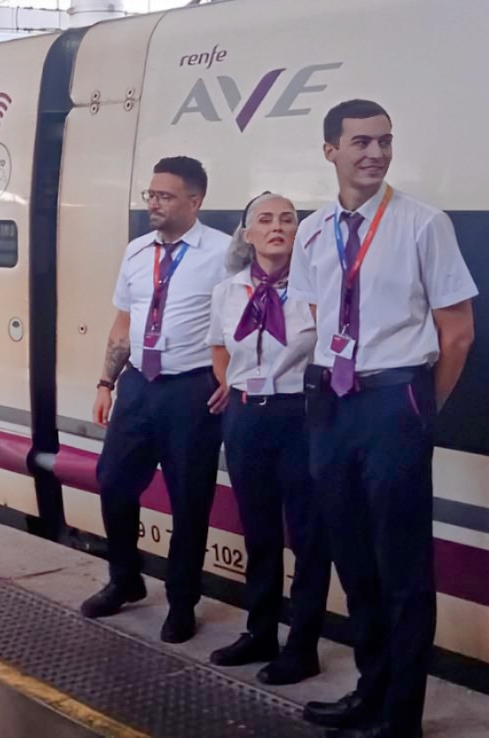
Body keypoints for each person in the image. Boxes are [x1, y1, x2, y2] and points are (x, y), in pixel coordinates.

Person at [289, 100, 477, 738]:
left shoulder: (424, 224)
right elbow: (315, 317)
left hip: (395, 399)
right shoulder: (313, 231)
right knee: (353, 558)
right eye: (361, 142)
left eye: (385, 141)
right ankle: (370, 692)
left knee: (402, 568)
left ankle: (401, 718)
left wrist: (421, 412)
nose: (376, 153)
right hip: (329, 402)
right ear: (330, 151)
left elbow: (457, 334)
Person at [82, 156, 231, 644]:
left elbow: (243, 319)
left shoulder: (223, 253)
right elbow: (123, 322)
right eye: (151, 195)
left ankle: (182, 602)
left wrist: (232, 376)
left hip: (191, 390)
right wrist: (106, 382)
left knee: (189, 500)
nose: (154, 204)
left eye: (165, 196)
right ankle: (125, 578)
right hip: (138, 388)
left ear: (195, 200)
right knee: (113, 482)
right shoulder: (137, 251)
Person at [204, 192, 330, 686]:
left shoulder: (318, 288)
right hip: (246, 416)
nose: (277, 227)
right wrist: (230, 383)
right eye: (265, 219)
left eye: (288, 220)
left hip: (300, 415)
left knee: (308, 535)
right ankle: (260, 632)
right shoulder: (228, 290)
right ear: (248, 233)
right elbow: (219, 346)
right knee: (258, 531)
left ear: (300, 232)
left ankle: (303, 646)